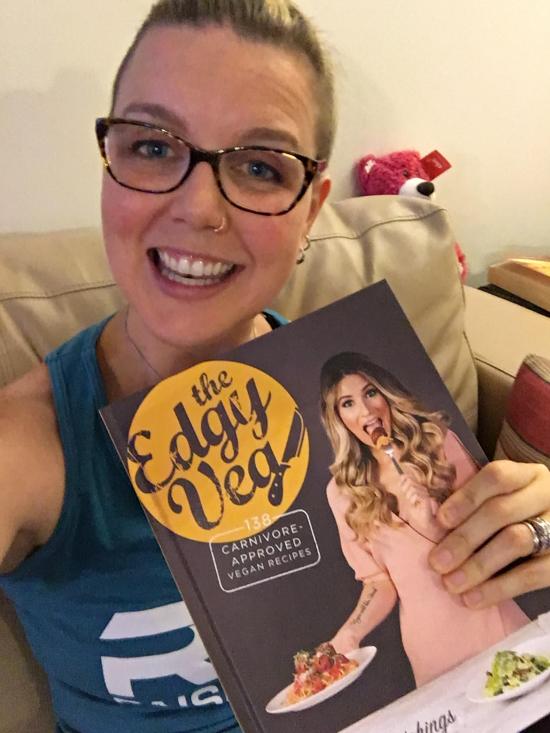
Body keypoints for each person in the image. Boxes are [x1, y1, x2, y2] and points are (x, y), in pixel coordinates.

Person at [0, 1, 549, 731]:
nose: (199, 208)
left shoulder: (357, 405)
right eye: (154, 147)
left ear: (311, 210)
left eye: (260, 166)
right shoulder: (29, 443)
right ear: (109, 164)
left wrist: (527, 532)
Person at [320, 352, 530, 685]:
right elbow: (379, 582)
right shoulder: (342, 491)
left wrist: (436, 525)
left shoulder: (436, 441)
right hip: (430, 646)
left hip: (489, 616)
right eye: (347, 403)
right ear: (338, 418)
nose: (366, 410)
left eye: (370, 392)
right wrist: (349, 634)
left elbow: (493, 535)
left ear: (386, 394)